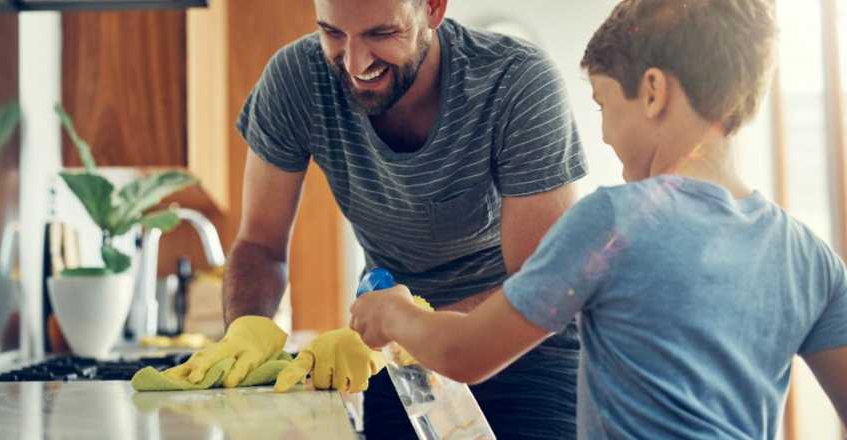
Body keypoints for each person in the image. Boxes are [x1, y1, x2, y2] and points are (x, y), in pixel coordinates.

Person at [350, 0, 847, 437]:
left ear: (653, 92)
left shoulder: (614, 223)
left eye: (604, 104)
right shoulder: (809, 256)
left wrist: (395, 311)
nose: (605, 134)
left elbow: (468, 355)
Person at [164, 0, 588, 437]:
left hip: (524, 355)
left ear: (433, 8)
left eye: (381, 35)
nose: (354, 62)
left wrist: (407, 327)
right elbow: (260, 244)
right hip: (394, 359)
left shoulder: (516, 82)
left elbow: (540, 283)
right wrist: (247, 328)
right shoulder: (297, 78)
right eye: (333, 33)